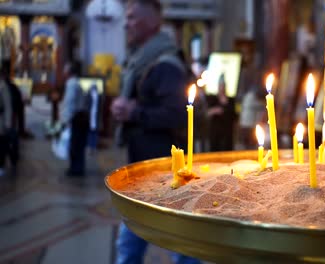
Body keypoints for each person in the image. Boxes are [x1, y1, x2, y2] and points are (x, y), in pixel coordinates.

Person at [110, 1, 198, 263]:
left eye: (132, 17)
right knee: (130, 243)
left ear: (151, 21)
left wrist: (133, 113)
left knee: (181, 246)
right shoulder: (144, 58)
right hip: (144, 169)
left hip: (163, 170)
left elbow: (178, 114)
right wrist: (126, 108)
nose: (126, 24)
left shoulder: (166, 64)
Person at [62, 61, 89, 177]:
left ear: (68, 72)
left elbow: (70, 103)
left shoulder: (71, 84)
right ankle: (78, 167)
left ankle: (76, 169)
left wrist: (65, 119)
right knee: (78, 144)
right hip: (81, 117)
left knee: (75, 145)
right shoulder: (76, 82)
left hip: (76, 118)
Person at [206, 73, 236, 151]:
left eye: (223, 86)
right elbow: (207, 113)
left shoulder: (231, 100)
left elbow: (234, 115)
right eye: (220, 86)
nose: (221, 88)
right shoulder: (212, 99)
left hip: (227, 131)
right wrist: (214, 111)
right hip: (215, 131)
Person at [0, 66, 12, 177]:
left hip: (1, 120)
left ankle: (1, 165)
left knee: (1, 144)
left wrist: (8, 123)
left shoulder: (3, 86)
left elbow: (8, 106)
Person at [87, 84, 101, 154]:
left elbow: (100, 108)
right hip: (90, 116)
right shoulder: (88, 95)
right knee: (90, 132)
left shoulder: (99, 96)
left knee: (94, 132)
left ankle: (93, 147)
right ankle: (90, 147)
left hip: (96, 117)